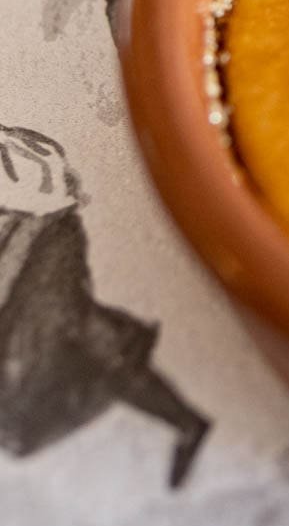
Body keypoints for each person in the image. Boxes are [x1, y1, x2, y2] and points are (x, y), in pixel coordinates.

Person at [0, 121, 208, 487]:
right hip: (36, 243)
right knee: (77, 346)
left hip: (46, 239)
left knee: (54, 342)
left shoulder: (26, 156)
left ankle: (185, 422)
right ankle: (185, 422)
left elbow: (41, 188)